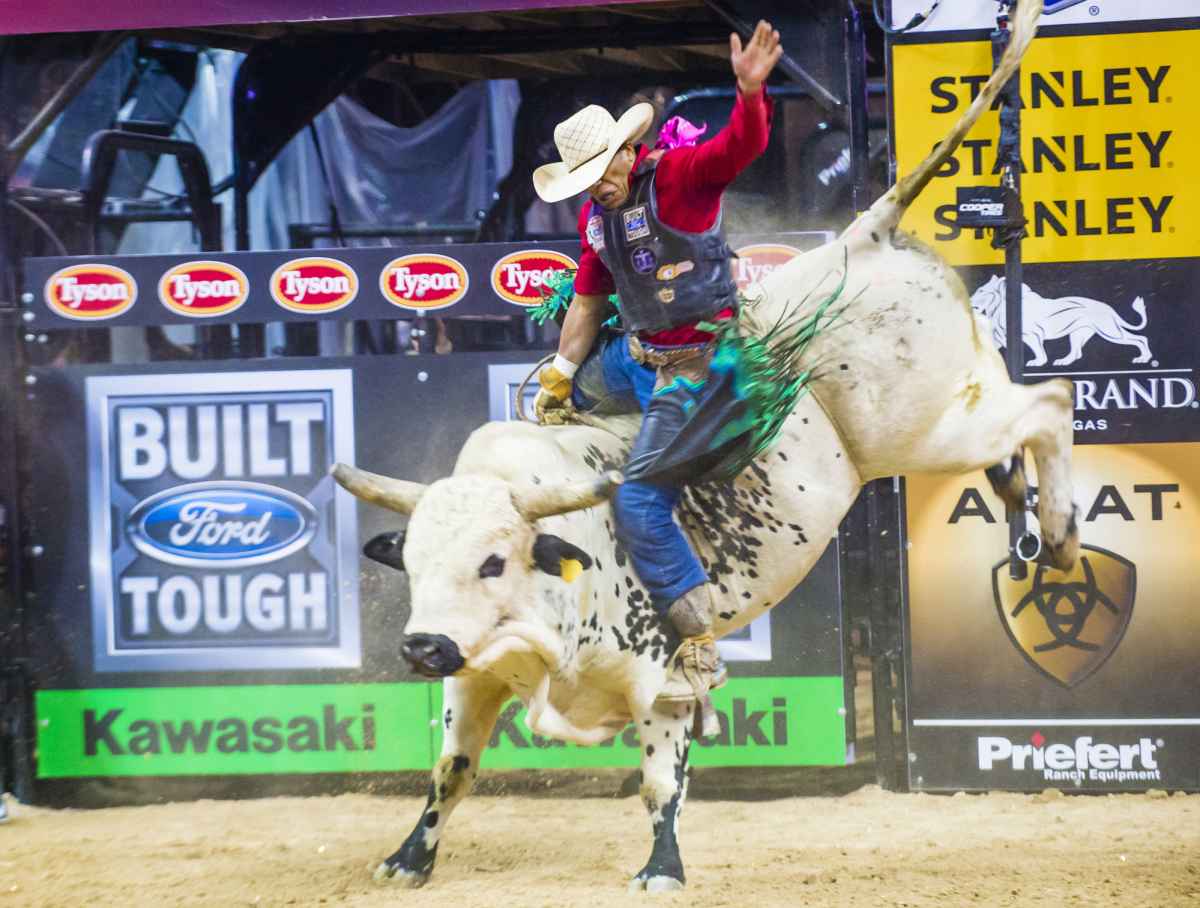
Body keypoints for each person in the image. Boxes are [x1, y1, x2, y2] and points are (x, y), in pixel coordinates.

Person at [530, 21, 783, 705]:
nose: (594, 190)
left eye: (598, 173)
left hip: (703, 369)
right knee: (571, 389)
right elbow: (587, 300)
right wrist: (559, 373)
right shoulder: (596, 221)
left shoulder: (679, 180)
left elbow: (739, 147)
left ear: (628, 154)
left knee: (639, 503)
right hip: (640, 356)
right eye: (580, 181)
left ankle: (700, 650)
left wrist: (750, 94)